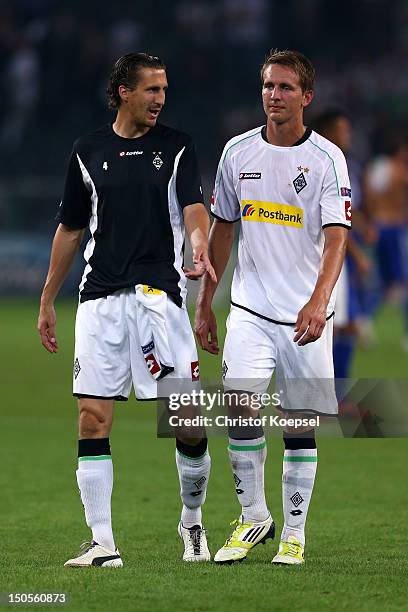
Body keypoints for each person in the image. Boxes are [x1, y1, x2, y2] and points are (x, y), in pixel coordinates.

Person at [38, 52, 216, 567]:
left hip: (160, 299)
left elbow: (193, 207)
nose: (161, 98)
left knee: (187, 421)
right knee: (92, 419)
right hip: (99, 302)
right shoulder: (86, 151)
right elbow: (70, 228)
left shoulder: (177, 146)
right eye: (152, 89)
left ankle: (193, 524)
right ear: (124, 92)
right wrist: (48, 298)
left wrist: (199, 243)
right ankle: (103, 543)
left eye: (164, 89)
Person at [195, 49, 351, 565]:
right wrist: (205, 304)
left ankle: (295, 533)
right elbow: (222, 227)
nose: (273, 96)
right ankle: (254, 517)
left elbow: (336, 241)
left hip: (308, 317)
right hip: (251, 312)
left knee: (298, 425)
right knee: (240, 411)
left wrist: (318, 300)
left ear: (307, 97)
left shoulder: (328, 159)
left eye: (285, 88)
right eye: (267, 86)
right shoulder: (237, 153)